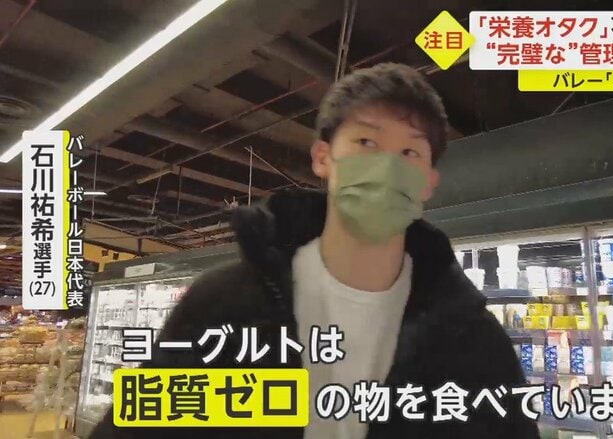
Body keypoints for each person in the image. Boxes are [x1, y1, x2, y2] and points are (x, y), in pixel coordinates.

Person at [89, 63, 540, 439]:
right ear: (323, 157)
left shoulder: (475, 342)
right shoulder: (225, 307)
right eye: (366, 143)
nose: (385, 168)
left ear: (428, 181)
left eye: (409, 152)